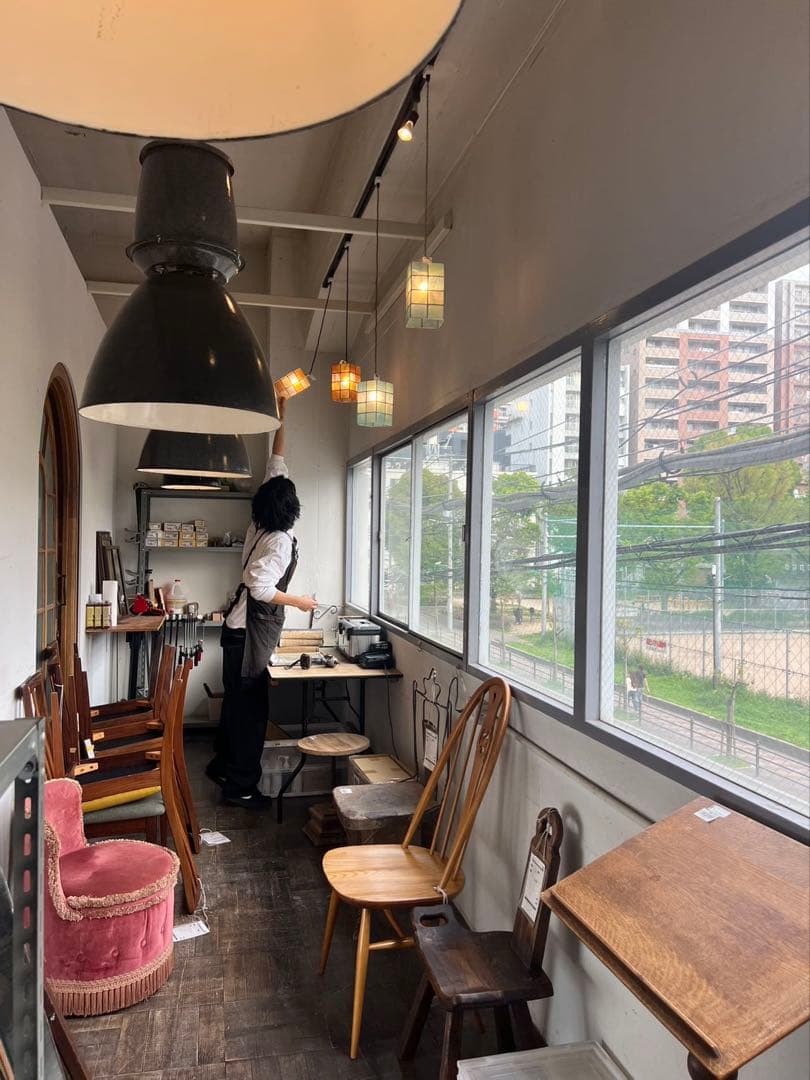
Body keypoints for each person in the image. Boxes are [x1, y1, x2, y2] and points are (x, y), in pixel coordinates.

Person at [206, 396, 317, 807]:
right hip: (246, 635)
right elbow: (260, 589)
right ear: (292, 509)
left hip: (235, 630)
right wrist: (299, 601)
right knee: (251, 713)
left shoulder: (260, 520)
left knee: (235, 704)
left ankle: (222, 766)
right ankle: (240, 787)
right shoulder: (279, 542)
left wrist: (282, 418)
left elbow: (276, 462)